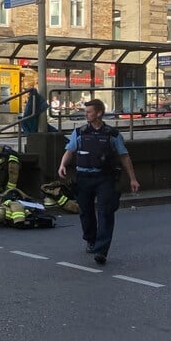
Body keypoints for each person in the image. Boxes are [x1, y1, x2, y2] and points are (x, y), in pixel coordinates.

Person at [58, 99, 140, 265]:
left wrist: (132, 178)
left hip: (104, 178)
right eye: (86, 111)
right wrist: (62, 165)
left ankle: (101, 250)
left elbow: (124, 156)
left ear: (99, 113)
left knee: (105, 213)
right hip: (83, 178)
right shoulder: (79, 132)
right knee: (86, 212)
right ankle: (91, 239)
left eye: (89, 112)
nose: (85, 114)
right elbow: (70, 150)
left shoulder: (112, 134)